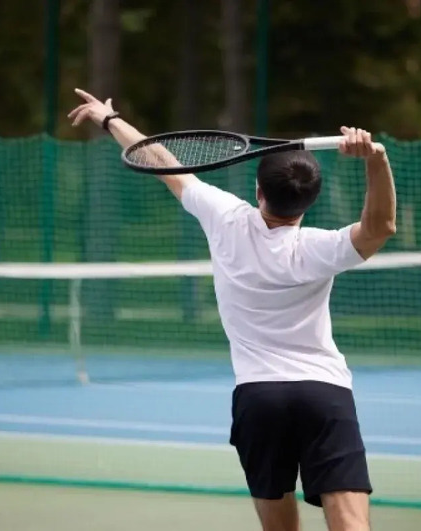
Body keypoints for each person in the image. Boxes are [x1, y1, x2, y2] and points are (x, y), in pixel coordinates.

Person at [69, 88, 396, 531]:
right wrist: (376, 160)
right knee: (351, 524)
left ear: (258, 191)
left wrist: (109, 120)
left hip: (259, 398)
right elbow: (381, 226)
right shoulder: (321, 247)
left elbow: (163, 162)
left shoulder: (225, 217)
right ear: (311, 201)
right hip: (324, 394)